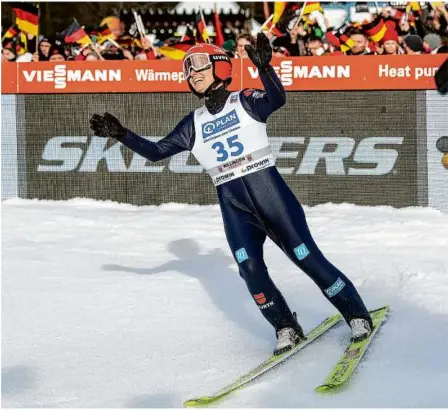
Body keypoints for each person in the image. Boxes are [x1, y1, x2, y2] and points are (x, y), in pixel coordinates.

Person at [90, 33, 373, 356]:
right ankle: (284, 325)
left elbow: (277, 100)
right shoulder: (193, 123)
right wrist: (123, 134)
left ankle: (356, 316)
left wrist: (266, 69)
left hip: (270, 194)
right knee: (249, 268)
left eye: (199, 68)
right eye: (188, 71)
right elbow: (157, 152)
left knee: (306, 258)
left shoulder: (245, 99)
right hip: (233, 203)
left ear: (221, 69)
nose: (192, 75)